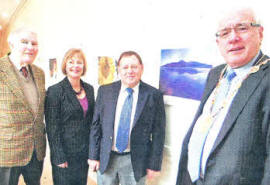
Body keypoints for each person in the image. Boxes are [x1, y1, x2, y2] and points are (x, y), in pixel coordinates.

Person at [176, 7, 270, 185]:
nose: (233, 38)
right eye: (225, 32)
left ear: (260, 32)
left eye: (242, 28)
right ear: (218, 42)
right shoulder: (216, 74)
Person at [88, 51, 166, 185]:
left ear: (141, 68)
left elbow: (159, 133)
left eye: (134, 67)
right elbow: (96, 126)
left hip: (135, 161)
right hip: (107, 157)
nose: (130, 71)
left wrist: (154, 164)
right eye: (125, 67)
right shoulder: (105, 91)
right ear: (118, 69)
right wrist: (93, 156)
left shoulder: (154, 95)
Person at [0, 28, 46, 185]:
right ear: (11, 44)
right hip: (7, 151)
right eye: (24, 42)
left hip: (36, 151)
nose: (30, 47)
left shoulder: (39, 73)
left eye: (34, 43)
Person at [45, 48, 95, 185]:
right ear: (65, 65)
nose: (75, 66)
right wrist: (58, 156)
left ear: (83, 66)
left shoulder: (89, 89)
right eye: (71, 62)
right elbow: (52, 127)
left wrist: (92, 152)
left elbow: (91, 122)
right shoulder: (55, 91)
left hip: (83, 153)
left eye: (79, 62)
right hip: (65, 154)